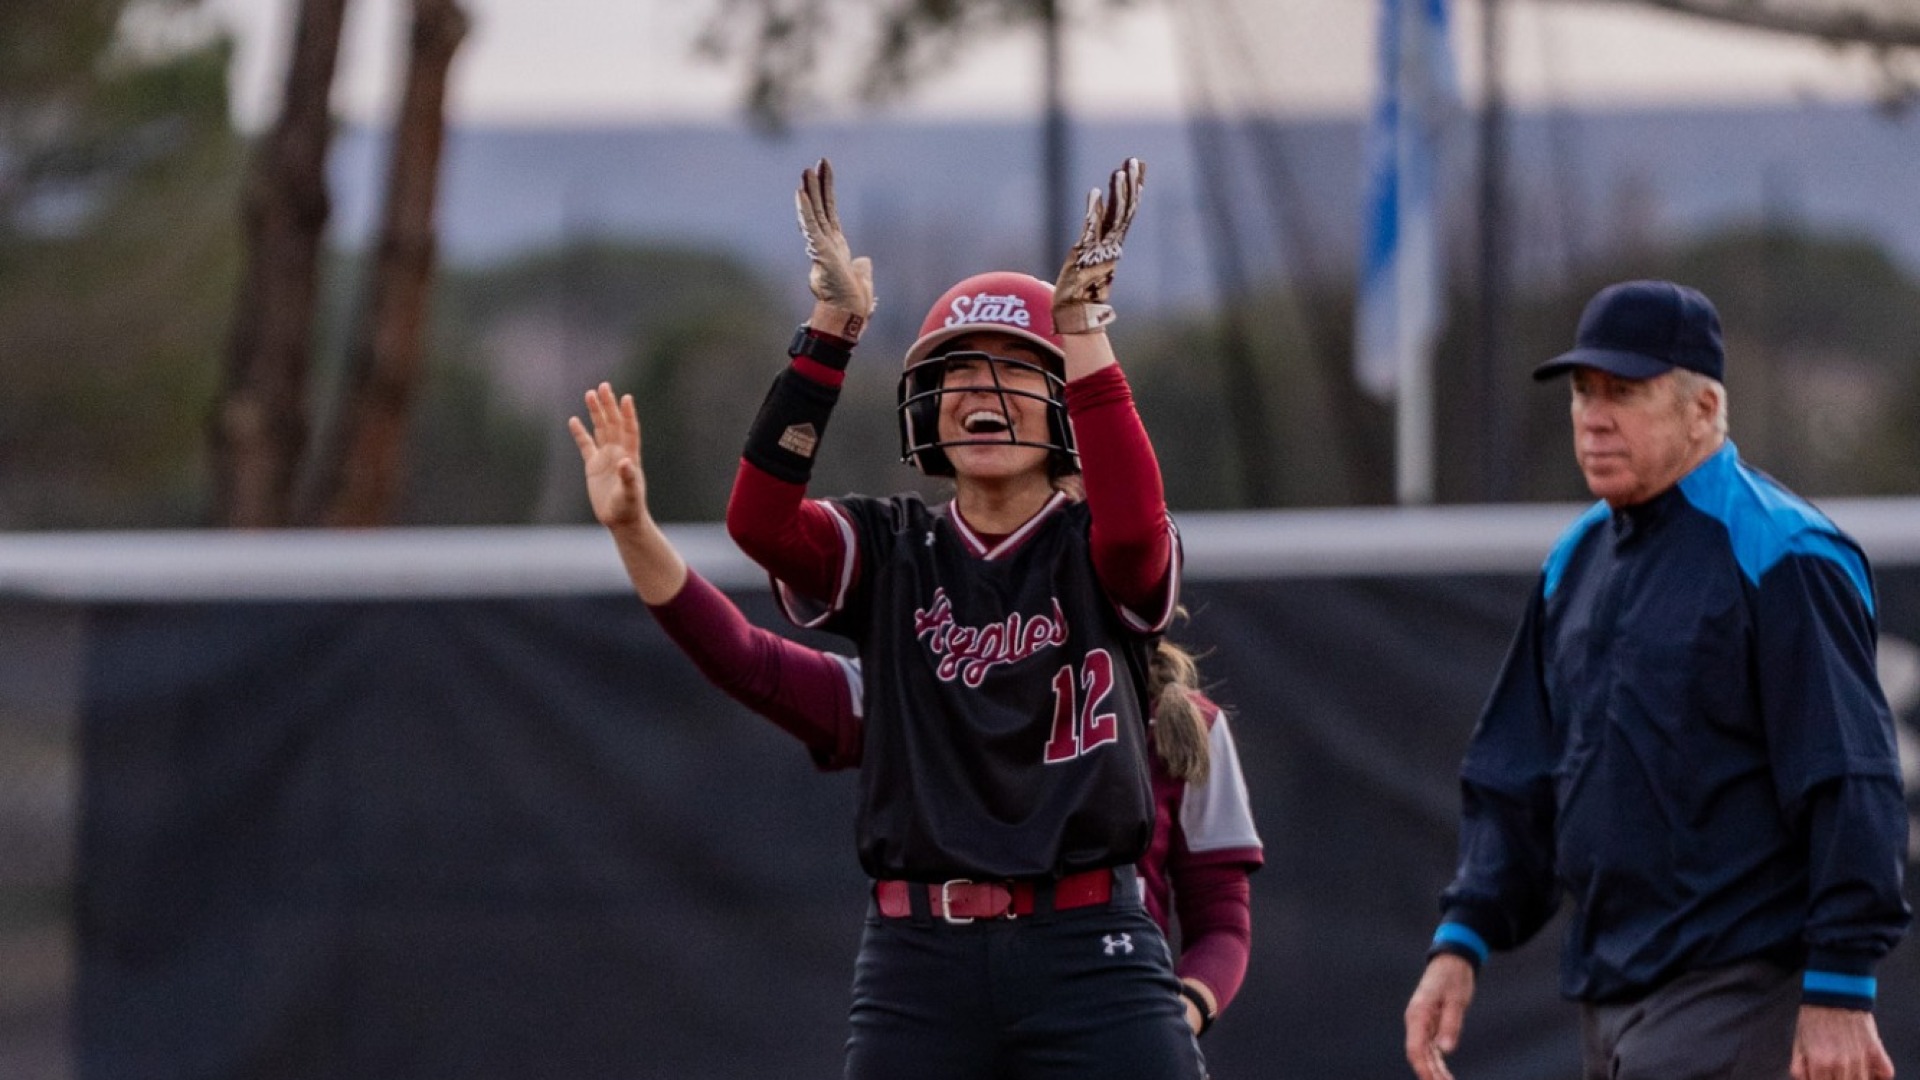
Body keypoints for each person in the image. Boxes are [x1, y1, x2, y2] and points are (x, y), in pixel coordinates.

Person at [567, 384, 1264, 1038]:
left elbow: (1222, 921)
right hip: (941, 974)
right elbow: (749, 659)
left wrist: (1179, 1013)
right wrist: (633, 531)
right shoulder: (922, 679)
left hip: (1100, 978)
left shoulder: (1184, 723)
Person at [722, 156, 1204, 1078]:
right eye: (959, 374)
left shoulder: (1096, 542)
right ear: (926, 411)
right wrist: (832, 329)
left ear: (1064, 407)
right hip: (921, 957)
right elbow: (759, 521)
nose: (982, 392)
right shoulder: (891, 546)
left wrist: (1085, 332)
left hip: (1089, 942)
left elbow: (1139, 533)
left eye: (1017, 373)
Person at [1402, 279, 1911, 1080]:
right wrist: (1462, 939)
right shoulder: (1577, 560)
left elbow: (1851, 776)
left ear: (1704, 410)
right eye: (1582, 391)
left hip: (1740, 986)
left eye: (1626, 392)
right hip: (1611, 992)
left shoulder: (1783, 553)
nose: (1594, 416)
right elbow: (1517, 774)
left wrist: (1841, 985)